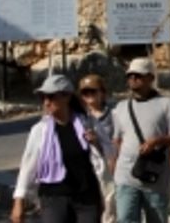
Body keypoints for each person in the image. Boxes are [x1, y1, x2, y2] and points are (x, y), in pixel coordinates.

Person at [11, 73, 110, 223]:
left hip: (86, 198)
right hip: (53, 198)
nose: (46, 102)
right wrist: (18, 202)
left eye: (51, 97)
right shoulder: (40, 130)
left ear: (67, 97)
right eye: (43, 98)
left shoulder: (88, 124)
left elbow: (110, 152)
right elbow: (28, 166)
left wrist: (96, 143)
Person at [111, 58, 170, 223]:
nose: (133, 79)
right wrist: (114, 166)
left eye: (138, 75)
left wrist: (156, 141)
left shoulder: (167, 105)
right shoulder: (121, 107)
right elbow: (117, 140)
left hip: (155, 178)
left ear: (150, 78)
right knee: (125, 219)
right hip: (126, 176)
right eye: (130, 76)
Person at [78, 73, 117, 223]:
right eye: (84, 92)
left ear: (102, 92)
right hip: (84, 171)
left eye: (92, 91)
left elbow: (116, 144)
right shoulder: (78, 117)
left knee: (108, 213)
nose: (89, 95)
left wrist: (97, 143)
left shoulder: (113, 116)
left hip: (107, 171)